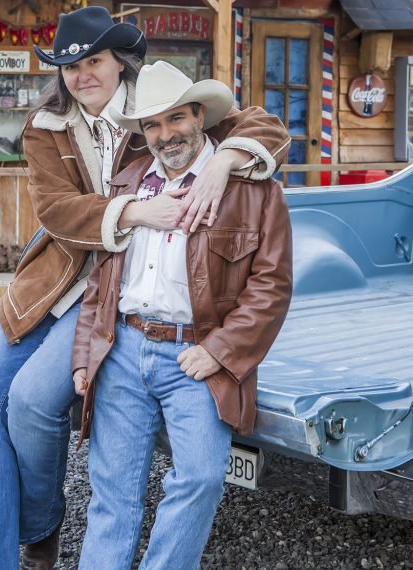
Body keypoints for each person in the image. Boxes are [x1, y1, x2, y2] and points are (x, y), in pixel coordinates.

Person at [0, 6, 290, 570]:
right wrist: (137, 211)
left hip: (118, 289)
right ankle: (5, 550)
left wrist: (223, 162)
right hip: (65, 278)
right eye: (69, 66)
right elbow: (57, 209)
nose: (82, 74)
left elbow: (265, 127)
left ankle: (40, 525)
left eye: (93, 61)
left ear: (119, 62)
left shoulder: (159, 105)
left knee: (35, 401)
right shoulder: (47, 126)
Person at [72, 61, 293, 570]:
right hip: (122, 349)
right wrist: (86, 351)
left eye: (176, 119)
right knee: (112, 493)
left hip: (195, 356)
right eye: (152, 124)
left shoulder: (254, 190)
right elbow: (101, 280)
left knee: (199, 479)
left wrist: (219, 351)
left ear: (200, 116)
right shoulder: (129, 184)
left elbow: (271, 287)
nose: (165, 134)